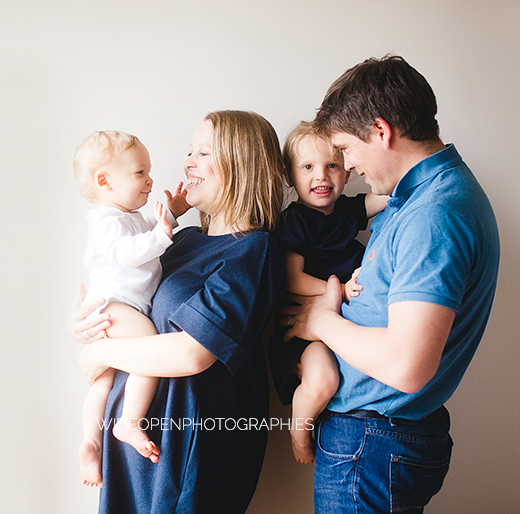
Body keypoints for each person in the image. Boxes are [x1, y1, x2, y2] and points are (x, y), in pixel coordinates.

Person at [281, 55, 500, 513]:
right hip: (375, 438)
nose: (346, 164)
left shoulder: (435, 214)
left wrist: (320, 320)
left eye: (344, 148)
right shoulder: (417, 198)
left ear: (381, 132)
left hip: (373, 442)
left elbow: (407, 365)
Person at [69, 110, 287, 513]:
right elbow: (128, 297)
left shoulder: (255, 250)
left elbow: (192, 352)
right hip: (137, 449)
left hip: (186, 451)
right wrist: (86, 322)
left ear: (240, 163)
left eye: (203, 152)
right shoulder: (180, 241)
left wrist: (98, 354)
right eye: (190, 151)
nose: (188, 162)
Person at [72, 131, 191, 488]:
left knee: (102, 380)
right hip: (117, 307)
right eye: (140, 172)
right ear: (104, 181)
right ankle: (130, 421)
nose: (150, 180)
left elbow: (147, 236)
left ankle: (91, 442)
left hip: (115, 309)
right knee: (148, 349)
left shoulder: (128, 217)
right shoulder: (106, 220)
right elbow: (129, 252)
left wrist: (171, 213)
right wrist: (161, 236)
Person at [268, 121, 388, 464]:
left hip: (336, 321)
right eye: (307, 167)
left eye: (332, 166)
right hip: (304, 332)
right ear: (290, 176)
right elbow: (293, 279)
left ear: (346, 172)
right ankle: (298, 431)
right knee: (323, 380)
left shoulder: (347, 211)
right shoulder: (296, 220)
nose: (321, 176)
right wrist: (340, 291)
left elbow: (383, 197)